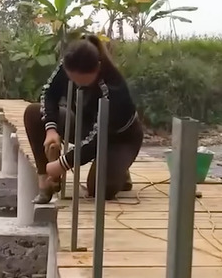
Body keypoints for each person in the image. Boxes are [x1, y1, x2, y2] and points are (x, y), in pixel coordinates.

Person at [21, 34, 144, 203]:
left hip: (118, 138)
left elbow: (96, 140)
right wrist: (51, 130)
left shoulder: (114, 88)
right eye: (73, 80)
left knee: (99, 189)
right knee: (33, 113)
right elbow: (49, 94)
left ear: (97, 67)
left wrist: (62, 164)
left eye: (84, 82)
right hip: (84, 123)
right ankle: (46, 181)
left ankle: (119, 168)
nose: (78, 85)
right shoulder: (68, 64)